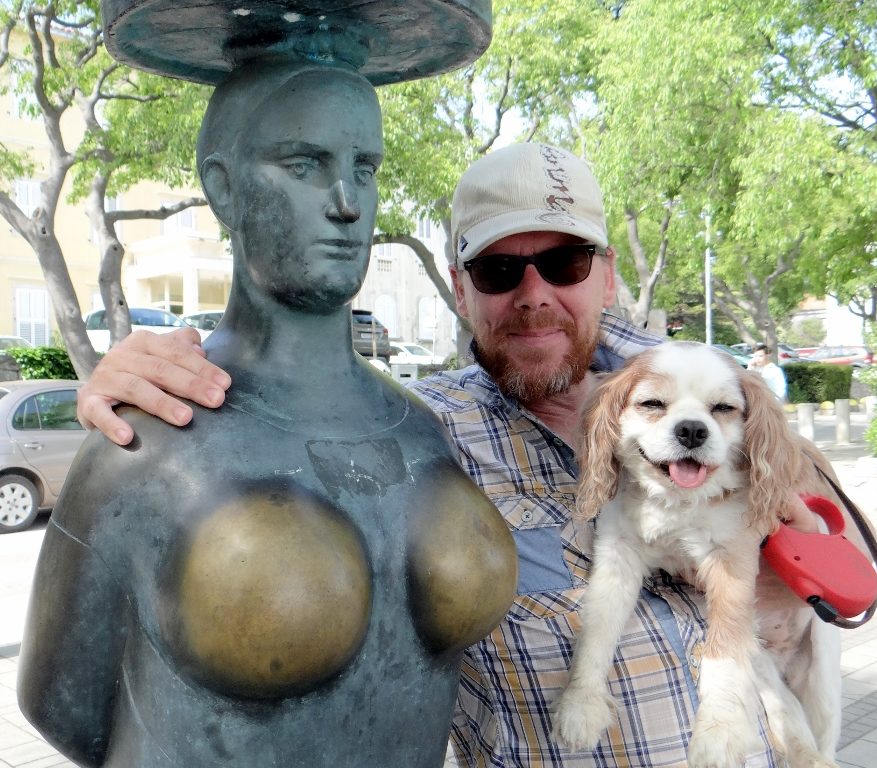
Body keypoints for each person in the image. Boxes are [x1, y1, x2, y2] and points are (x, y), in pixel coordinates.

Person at [78, 143, 834, 767]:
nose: (533, 294)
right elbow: (268, 429)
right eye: (499, 270)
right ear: (460, 288)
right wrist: (142, 387)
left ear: (605, 274)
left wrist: (796, 558)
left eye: (564, 263)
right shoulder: (420, 430)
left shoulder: (714, 392)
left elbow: (848, 572)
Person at [20, 59, 515, 768]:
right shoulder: (153, 438)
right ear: (224, 187)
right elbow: (63, 707)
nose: (347, 203)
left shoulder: (423, 430)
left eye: (365, 168)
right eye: (304, 165)